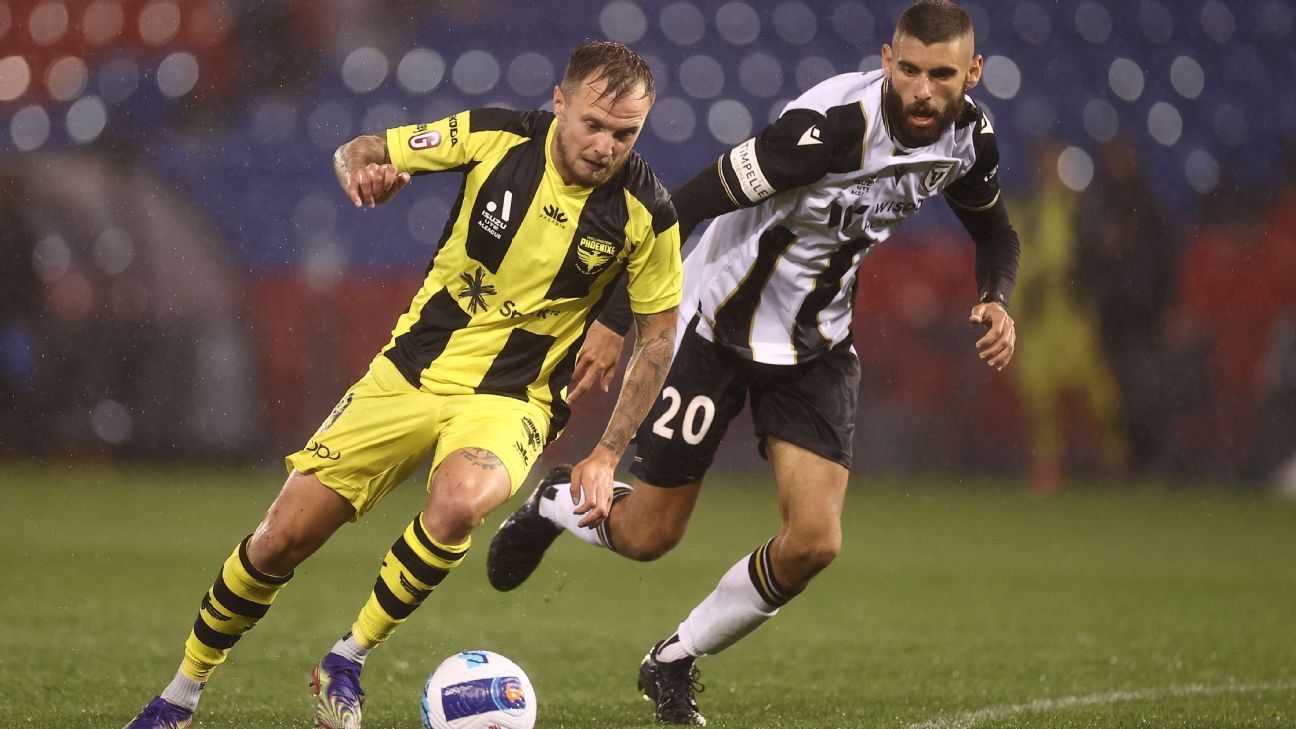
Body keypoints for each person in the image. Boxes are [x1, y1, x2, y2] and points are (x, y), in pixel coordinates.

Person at [486, 2, 1020, 725]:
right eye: (912, 71)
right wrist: (618, 318)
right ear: (888, 62)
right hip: (715, 328)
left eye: (943, 75)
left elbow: (994, 230)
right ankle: (554, 501)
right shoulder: (825, 131)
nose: (924, 91)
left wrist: (996, 297)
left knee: (815, 541)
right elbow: (684, 205)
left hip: (815, 345)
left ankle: (673, 658)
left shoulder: (969, 138)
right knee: (648, 535)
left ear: (973, 73)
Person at [124, 41, 682, 729]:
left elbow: (659, 337)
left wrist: (605, 453)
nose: (605, 145)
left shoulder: (646, 213)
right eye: (594, 124)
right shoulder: (494, 135)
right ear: (560, 101)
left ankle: (348, 656)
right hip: (408, 373)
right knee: (279, 541)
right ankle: (179, 696)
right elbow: (362, 148)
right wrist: (366, 173)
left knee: (460, 502)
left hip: (512, 401)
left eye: (624, 133)